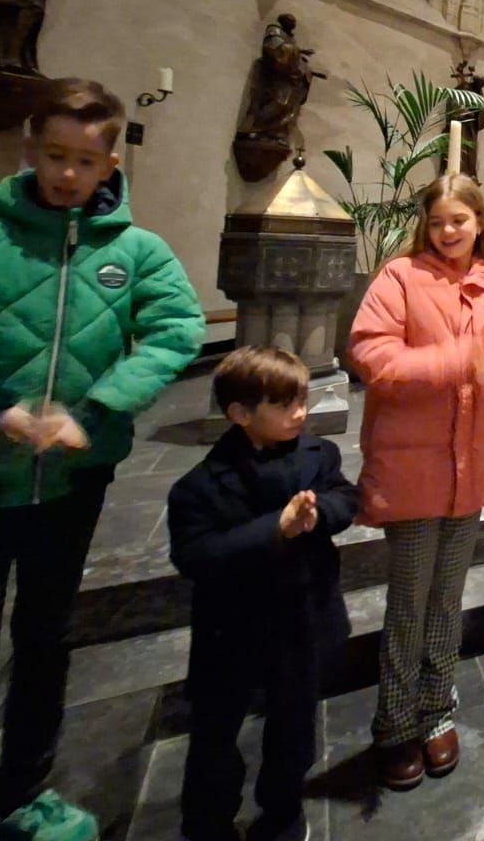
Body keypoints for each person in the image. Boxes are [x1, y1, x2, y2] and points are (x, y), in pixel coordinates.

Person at [0, 78, 204, 841]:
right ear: (30, 149)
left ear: (109, 162)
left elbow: (177, 331)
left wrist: (97, 409)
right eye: (54, 155)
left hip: (71, 480)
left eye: (84, 162)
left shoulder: (136, 250)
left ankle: (26, 792)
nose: (66, 174)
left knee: (47, 639)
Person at [348, 174, 484, 791]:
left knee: (447, 599)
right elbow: (374, 357)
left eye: (460, 219)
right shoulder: (400, 278)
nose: (450, 231)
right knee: (408, 601)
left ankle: (436, 712)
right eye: (438, 222)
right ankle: (395, 723)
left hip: (472, 468)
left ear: (480, 221)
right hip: (414, 467)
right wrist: (459, 359)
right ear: (425, 227)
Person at [168, 347, 359, 841]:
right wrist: (275, 527)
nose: (300, 413)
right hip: (233, 625)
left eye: (302, 400)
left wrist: (321, 516)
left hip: (303, 615)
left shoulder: (319, 454)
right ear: (240, 414)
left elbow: (345, 497)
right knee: (215, 732)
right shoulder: (200, 486)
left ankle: (282, 809)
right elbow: (196, 555)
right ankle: (208, 819)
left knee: (294, 724)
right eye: (285, 404)